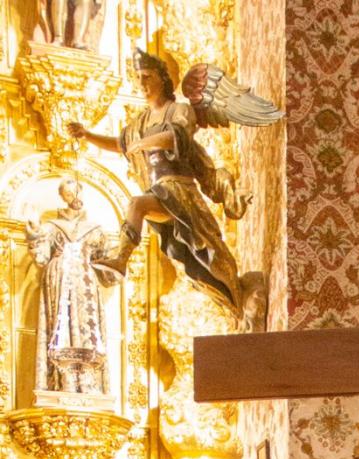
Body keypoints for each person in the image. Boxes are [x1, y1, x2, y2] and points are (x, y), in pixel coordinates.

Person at [66, 49, 247, 318]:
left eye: (147, 76)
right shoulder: (139, 122)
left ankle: (237, 297)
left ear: (162, 79)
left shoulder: (179, 109)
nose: (142, 83)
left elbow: (177, 135)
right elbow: (120, 144)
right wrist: (87, 135)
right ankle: (121, 260)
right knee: (187, 254)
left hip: (178, 190)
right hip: (159, 192)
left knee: (211, 258)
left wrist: (145, 143)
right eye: (138, 77)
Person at [24, 179, 116, 397]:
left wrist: (120, 258)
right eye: (68, 194)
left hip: (86, 284)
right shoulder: (52, 227)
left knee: (88, 332)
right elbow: (41, 256)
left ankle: (88, 383)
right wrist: (35, 231)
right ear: (63, 197)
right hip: (59, 280)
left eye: (76, 192)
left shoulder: (96, 229)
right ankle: (61, 382)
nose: (73, 197)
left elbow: (109, 268)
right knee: (60, 329)